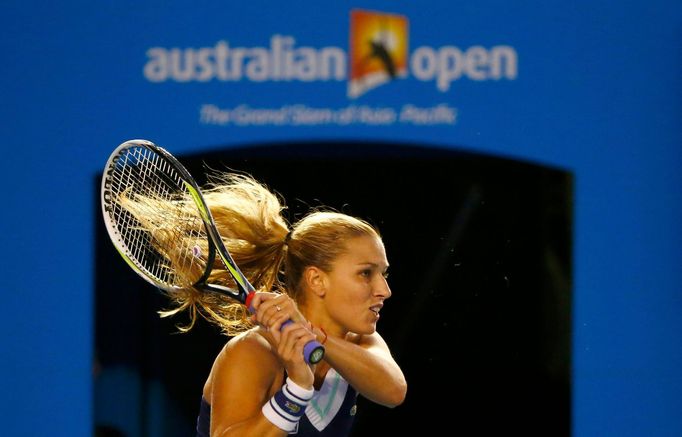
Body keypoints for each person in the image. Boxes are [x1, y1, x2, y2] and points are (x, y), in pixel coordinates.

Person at [145, 172, 406, 436]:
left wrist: (313, 337)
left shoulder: (361, 343)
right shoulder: (252, 352)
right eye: (366, 273)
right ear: (316, 280)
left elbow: (394, 391)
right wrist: (297, 390)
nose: (384, 290)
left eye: (383, 274)